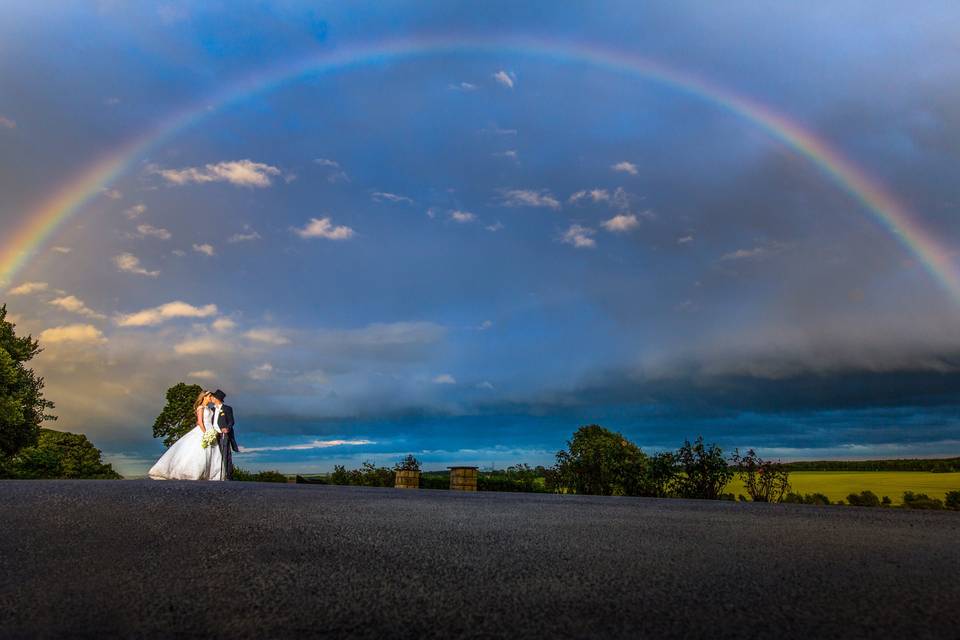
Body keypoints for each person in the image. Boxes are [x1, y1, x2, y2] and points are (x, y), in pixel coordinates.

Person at [148, 390, 224, 480]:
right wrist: (206, 433)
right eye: (209, 396)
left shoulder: (209, 409)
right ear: (204, 397)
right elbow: (200, 422)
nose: (211, 398)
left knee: (212, 452)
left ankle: (210, 474)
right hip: (203, 430)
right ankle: (193, 473)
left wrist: (212, 432)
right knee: (200, 452)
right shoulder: (200, 408)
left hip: (210, 430)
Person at [210, 389, 238, 480]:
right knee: (215, 454)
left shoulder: (227, 408)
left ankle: (228, 475)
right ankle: (216, 475)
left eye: (213, 397)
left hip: (223, 434)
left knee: (225, 454)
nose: (211, 398)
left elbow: (231, 421)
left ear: (217, 398)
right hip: (213, 434)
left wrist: (227, 428)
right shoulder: (212, 409)